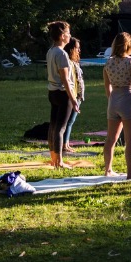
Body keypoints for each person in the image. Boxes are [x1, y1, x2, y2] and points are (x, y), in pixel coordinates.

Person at [102, 32, 131, 177]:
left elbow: (107, 86)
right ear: (128, 45)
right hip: (129, 100)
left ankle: (107, 170)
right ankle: (130, 173)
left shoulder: (108, 62)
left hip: (113, 100)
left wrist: (111, 99)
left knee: (110, 139)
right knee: (130, 140)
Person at [45, 20, 79, 169]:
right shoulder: (62, 54)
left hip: (52, 92)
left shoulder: (51, 51)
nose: (70, 36)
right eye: (68, 33)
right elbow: (65, 78)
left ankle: (53, 158)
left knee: (53, 126)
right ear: (62, 35)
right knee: (60, 128)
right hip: (63, 94)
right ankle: (59, 161)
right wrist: (73, 98)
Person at [61, 37, 85, 154]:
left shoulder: (75, 63)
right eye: (77, 48)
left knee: (71, 121)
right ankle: (64, 144)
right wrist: (74, 97)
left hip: (78, 96)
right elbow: (70, 81)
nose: (79, 50)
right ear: (71, 49)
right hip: (72, 96)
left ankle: (66, 143)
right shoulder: (68, 63)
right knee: (68, 121)